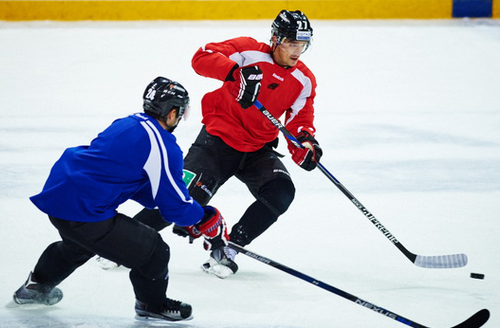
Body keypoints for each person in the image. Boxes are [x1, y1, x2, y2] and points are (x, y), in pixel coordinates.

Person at [12, 77, 229, 322]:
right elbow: (174, 207)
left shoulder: (128, 123)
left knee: (79, 244)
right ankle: (152, 304)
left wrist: (169, 203)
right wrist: (202, 216)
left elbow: (125, 177)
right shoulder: (163, 144)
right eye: (182, 112)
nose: (180, 118)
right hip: (86, 211)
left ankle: (35, 288)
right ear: (172, 112)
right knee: (155, 252)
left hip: (60, 198)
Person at [173, 9, 323, 279]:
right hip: (217, 141)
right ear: (276, 39)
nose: (297, 51)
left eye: (303, 44)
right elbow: (201, 58)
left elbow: (299, 121)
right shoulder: (247, 51)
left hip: (256, 149)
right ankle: (125, 240)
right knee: (179, 203)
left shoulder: (304, 80)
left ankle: (230, 248)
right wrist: (234, 73)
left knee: (281, 192)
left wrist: (305, 144)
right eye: (291, 43)